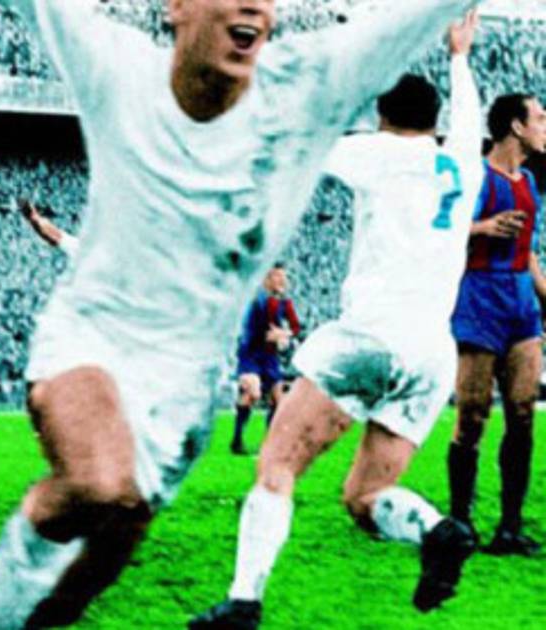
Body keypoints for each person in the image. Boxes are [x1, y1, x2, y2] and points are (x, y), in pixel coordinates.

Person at [0, 1, 485, 628]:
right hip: (104, 341)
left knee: (101, 562)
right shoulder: (119, 70)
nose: (254, 6)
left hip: (223, 376)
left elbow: (397, 31)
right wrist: (459, 60)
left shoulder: (336, 121)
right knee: (100, 483)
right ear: (176, 8)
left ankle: (230, 599)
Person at [190, 15, 485, 629]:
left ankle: (243, 601)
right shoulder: (463, 162)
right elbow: (469, 120)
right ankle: (437, 529)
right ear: (432, 120)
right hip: (432, 353)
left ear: (382, 116)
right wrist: (460, 58)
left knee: (277, 466)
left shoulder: (375, 152)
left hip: (370, 335)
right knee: (364, 497)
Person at [447, 91, 546, 557]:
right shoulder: (475, 177)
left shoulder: (529, 181)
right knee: (472, 417)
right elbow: (440, 230)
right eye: (540, 118)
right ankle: (460, 522)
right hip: (480, 297)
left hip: (520, 303)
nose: (545, 127)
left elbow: (527, 251)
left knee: (523, 413)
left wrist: (543, 293)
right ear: (516, 126)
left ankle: (509, 526)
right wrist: (483, 228)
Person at [231, 264, 300, 454]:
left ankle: (269, 445)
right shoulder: (256, 301)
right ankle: (236, 440)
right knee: (253, 393)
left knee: (279, 401)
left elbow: (295, 327)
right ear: (267, 279)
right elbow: (247, 332)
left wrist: (283, 334)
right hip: (251, 354)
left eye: (284, 276)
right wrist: (268, 337)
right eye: (278, 276)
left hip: (270, 357)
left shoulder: (284, 303)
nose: (282, 280)